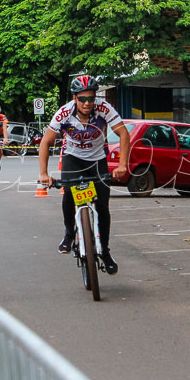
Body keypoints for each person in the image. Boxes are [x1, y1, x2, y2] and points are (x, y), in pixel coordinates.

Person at [39, 75, 130, 275]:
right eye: (82, 99)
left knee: (103, 207)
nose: (87, 103)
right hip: (73, 158)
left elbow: (124, 133)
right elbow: (45, 142)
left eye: (91, 98)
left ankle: (105, 252)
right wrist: (44, 174)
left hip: (97, 160)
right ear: (75, 98)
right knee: (69, 196)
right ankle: (69, 233)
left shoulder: (104, 108)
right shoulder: (63, 113)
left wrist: (123, 164)